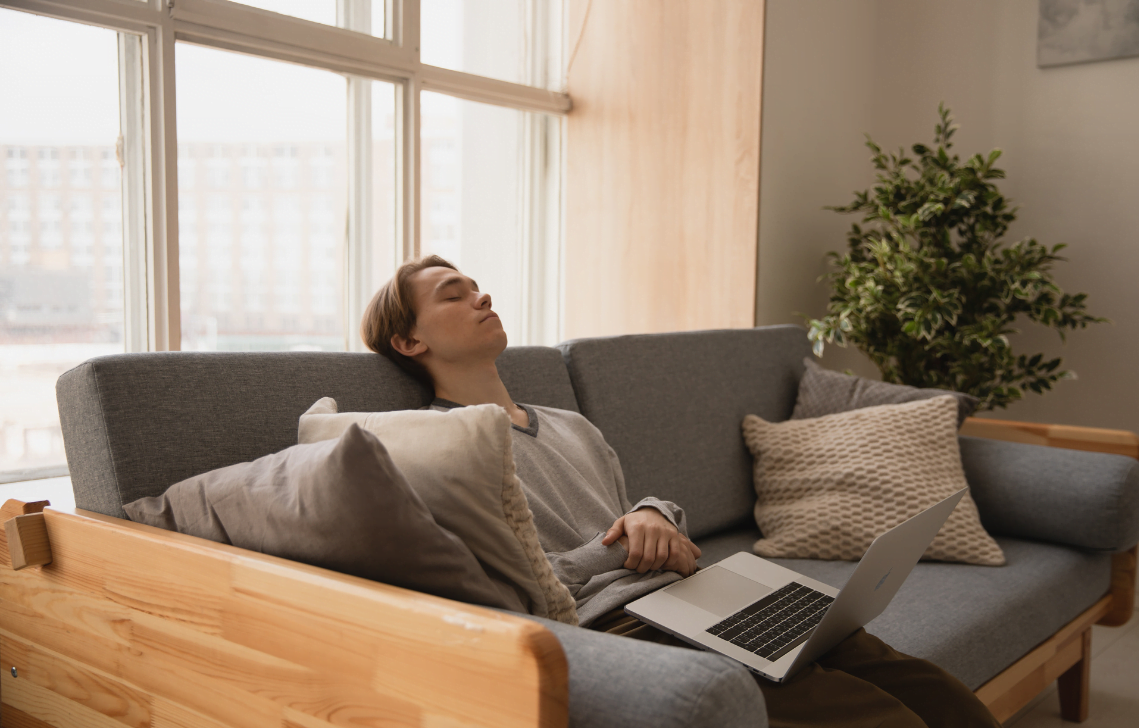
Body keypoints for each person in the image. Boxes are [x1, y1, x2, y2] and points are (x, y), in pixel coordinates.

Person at [361, 255, 1001, 728]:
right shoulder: (439, 447)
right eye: (454, 294)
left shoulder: (570, 425)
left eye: (476, 284)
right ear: (411, 341)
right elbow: (507, 585)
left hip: (699, 592)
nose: (481, 294)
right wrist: (627, 543)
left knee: (934, 693)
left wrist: (651, 513)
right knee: (886, 721)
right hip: (621, 627)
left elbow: (631, 515)